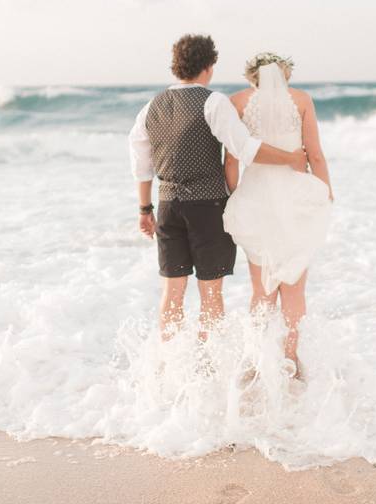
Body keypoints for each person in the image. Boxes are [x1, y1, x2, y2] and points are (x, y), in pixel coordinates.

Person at [128, 35, 308, 341]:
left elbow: (140, 163)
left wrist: (145, 209)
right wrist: (290, 157)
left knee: (172, 291)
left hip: (168, 206)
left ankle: (168, 364)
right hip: (207, 208)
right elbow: (244, 147)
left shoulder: (151, 106)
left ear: (176, 67)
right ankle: (207, 366)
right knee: (210, 292)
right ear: (209, 67)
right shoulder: (213, 102)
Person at [222, 53, 333, 379]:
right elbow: (315, 154)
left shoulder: (238, 102)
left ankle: (259, 360)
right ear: (284, 74)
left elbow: (232, 160)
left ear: (251, 76)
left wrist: (235, 195)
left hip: (256, 200)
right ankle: (290, 359)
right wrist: (326, 191)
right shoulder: (301, 100)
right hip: (295, 201)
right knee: (294, 287)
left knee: (261, 288)